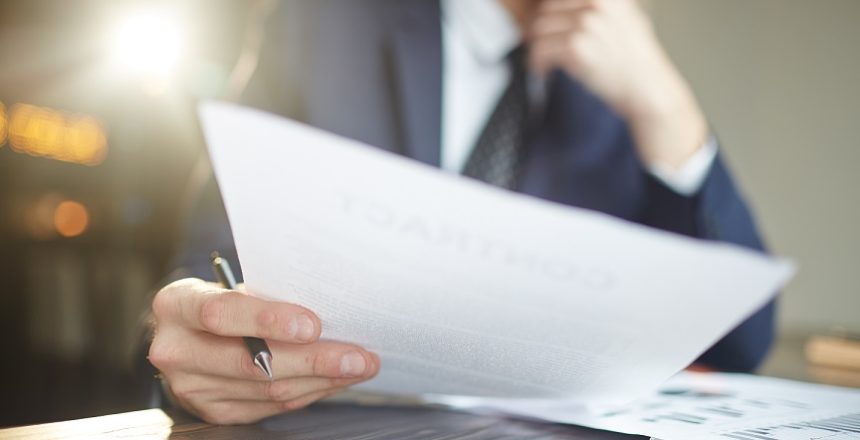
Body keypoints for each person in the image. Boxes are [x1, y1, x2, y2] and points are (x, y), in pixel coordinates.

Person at [148, 0, 775, 425]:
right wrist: (198, 350)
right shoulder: (320, 22)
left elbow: (744, 342)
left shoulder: (628, 98)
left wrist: (667, 108)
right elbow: (204, 269)